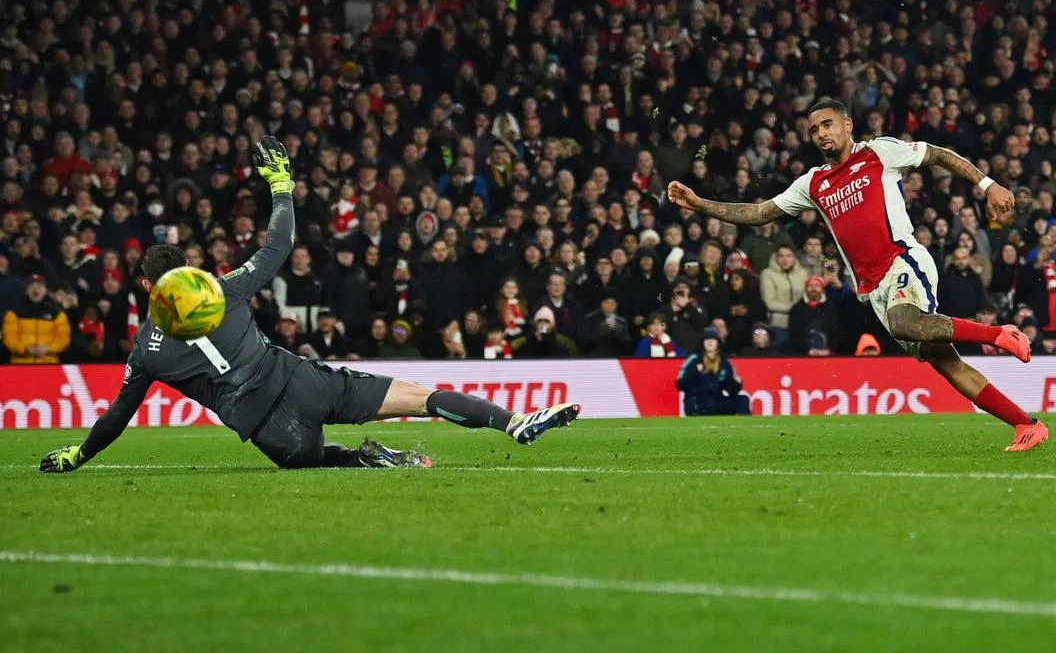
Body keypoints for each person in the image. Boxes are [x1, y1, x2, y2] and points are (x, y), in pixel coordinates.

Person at [40, 137, 580, 474]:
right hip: (302, 382)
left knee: (314, 458)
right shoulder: (224, 287)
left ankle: (363, 459)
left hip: (274, 434)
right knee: (420, 397)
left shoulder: (144, 350)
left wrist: (76, 456)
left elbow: (116, 417)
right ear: (188, 271)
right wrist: (280, 185)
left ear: (144, 284)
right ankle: (512, 423)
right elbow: (278, 246)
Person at [668, 99, 1048, 451]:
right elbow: (759, 212)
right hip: (874, 288)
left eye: (828, 125)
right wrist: (698, 204)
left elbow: (937, 154)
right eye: (815, 130)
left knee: (905, 322)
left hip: (903, 260)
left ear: (848, 125)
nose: (822, 134)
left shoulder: (878, 152)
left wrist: (988, 185)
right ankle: (1025, 424)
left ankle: (999, 334)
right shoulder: (813, 183)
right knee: (947, 364)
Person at [675, 326, 750, 416]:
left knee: (743, 400)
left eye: (713, 339)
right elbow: (680, 384)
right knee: (706, 398)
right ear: (702, 343)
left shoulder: (724, 362)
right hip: (697, 403)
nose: (710, 342)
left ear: (718, 343)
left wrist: (737, 383)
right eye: (707, 339)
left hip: (717, 402)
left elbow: (731, 391)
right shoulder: (694, 359)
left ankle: (742, 428)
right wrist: (695, 372)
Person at [3, 274, 71, 364]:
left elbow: (63, 338)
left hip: (49, 363)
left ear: (45, 291)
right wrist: (25, 348)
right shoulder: (13, 313)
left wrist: (48, 348)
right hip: (20, 363)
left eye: (39, 286)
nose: (36, 289)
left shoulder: (57, 314)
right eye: (31, 286)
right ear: (26, 291)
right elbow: (9, 338)